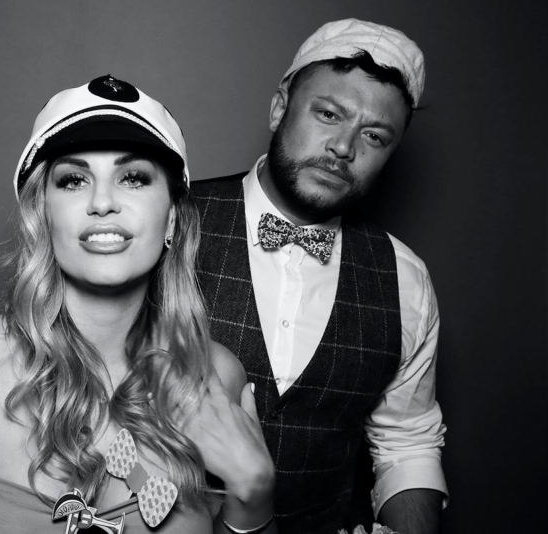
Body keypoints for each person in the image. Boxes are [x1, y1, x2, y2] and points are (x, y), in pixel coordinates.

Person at [0, 75, 277, 534]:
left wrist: (255, 496)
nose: (102, 202)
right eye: (73, 180)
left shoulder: (215, 376)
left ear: (171, 218)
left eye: (133, 178)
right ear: (42, 215)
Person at [192, 19, 448, 534]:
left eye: (374, 135)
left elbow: (407, 443)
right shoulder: (167, 223)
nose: (344, 147)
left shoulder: (405, 280)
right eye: (328, 113)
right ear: (279, 108)